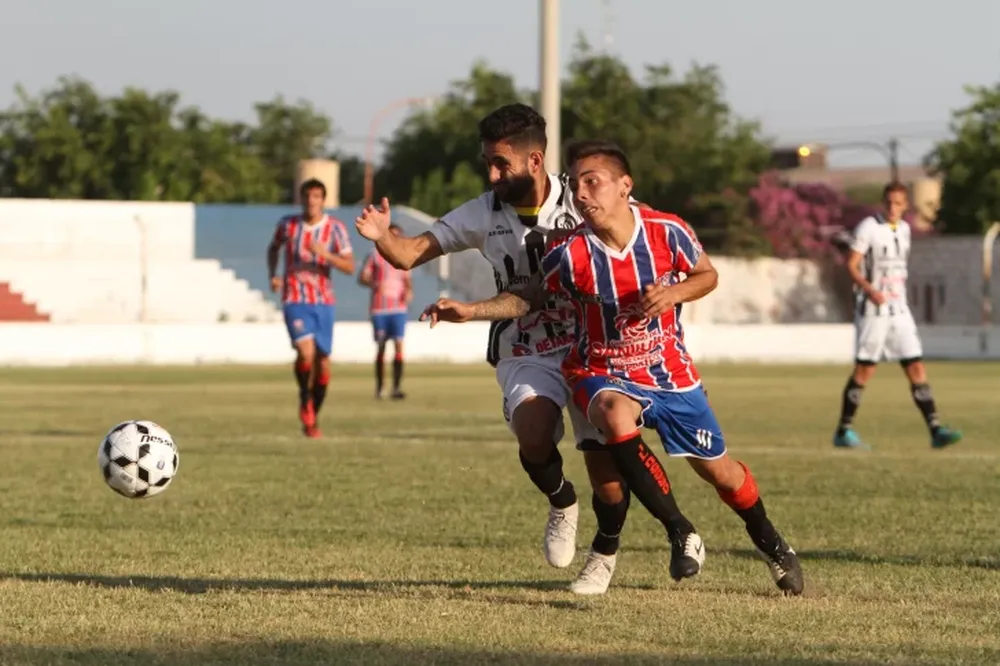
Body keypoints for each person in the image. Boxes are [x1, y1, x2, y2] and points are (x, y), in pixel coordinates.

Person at [421, 139, 805, 596]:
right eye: (577, 184)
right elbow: (531, 295)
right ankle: (679, 530)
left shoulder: (667, 231)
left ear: (625, 186)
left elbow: (707, 275)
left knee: (720, 472)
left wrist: (674, 293)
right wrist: (471, 310)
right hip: (598, 368)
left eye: (593, 183)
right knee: (611, 418)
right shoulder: (570, 251)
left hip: (667, 370)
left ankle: (770, 542)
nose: (581, 195)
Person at [355, 104, 705, 593]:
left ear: (535, 161)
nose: (492, 174)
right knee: (535, 432)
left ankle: (604, 552)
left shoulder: (583, 197)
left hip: (590, 346)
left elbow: (642, 238)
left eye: (502, 164)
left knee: (607, 475)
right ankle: (562, 502)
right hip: (526, 344)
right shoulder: (482, 211)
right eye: (488, 164)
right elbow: (410, 253)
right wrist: (382, 237)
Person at [833, 182, 962, 450]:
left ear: (905, 206)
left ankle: (936, 429)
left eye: (898, 203)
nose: (893, 207)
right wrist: (869, 290)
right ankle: (843, 431)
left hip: (899, 309)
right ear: (883, 202)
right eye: (889, 202)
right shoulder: (869, 227)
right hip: (873, 310)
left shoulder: (904, 230)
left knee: (915, 365)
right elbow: (852, 264)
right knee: (866, 369)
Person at [267, 178, 354, 438]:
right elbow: (273, 248)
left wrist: (325, 254)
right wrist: (273, 273)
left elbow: (350, 266)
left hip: (323, 301)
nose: (311, 201)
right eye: (307, 196)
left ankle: (312, 416)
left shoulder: (335, 229)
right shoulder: (288, 225)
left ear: (322, 200)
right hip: (294, 297)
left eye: (316, 196)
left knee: (323, 363)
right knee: (305, 354)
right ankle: (304, 398)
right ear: (301, 199)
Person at [358, 223, 412, 400]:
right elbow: (362, 278)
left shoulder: (404, 259)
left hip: (398, 308)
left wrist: (409, 291)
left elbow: (407, 280)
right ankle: (380, 388)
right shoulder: (375, 256)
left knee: (398, 346)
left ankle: (396, 388)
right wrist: (374, 284)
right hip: (380, 308)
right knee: (381, 347)